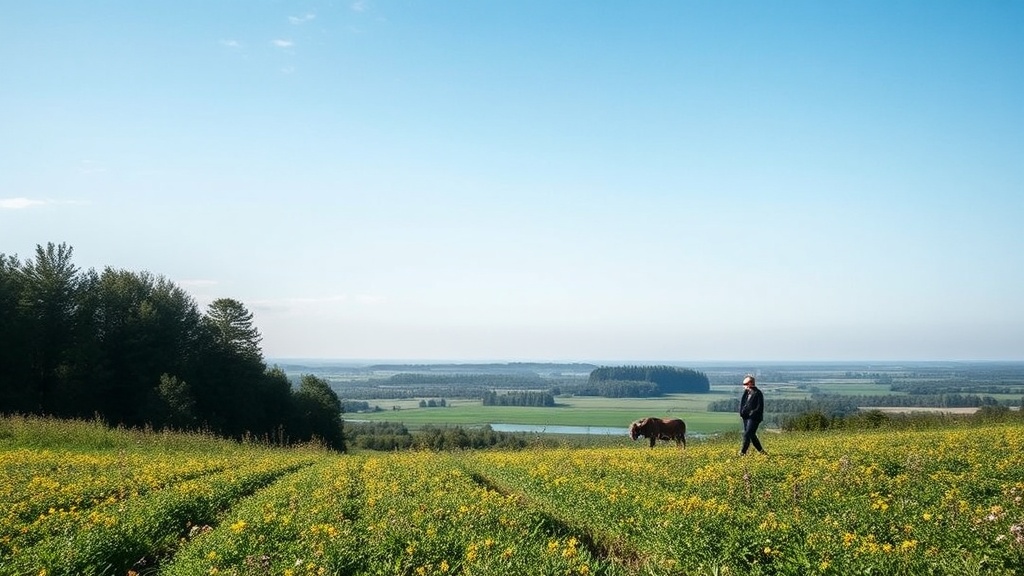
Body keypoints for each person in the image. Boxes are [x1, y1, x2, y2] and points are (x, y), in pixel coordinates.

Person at [738, 374, 766, 455]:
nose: (743, 386)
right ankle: (762, 452)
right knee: (752, 435)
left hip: (754, 418)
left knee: (747, 434)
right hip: (746, 417)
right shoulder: (746, 393)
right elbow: (743, 404)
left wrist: (752, 413)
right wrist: (742, 412)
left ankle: (742, 452)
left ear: (750, 383)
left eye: (745, 384)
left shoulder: (758, 393)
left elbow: (760, 406)